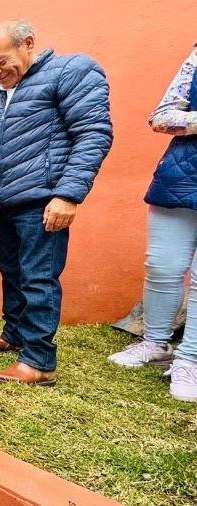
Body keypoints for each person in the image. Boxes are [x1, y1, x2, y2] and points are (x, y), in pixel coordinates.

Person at [0, 20, 113, 385]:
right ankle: (15, 335)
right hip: (8, 203)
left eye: (1, 62)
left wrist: (67, 195)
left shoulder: (71, 72)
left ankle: (39, 362)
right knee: (13, 273)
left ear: (27, 44)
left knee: (38, 278)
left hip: (45, 202)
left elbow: (94, 134)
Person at [107, 45, 197, 402]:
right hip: (181, 177)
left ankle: (190, 359)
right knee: (162, 265)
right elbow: (161, 117)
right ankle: (155, 343)